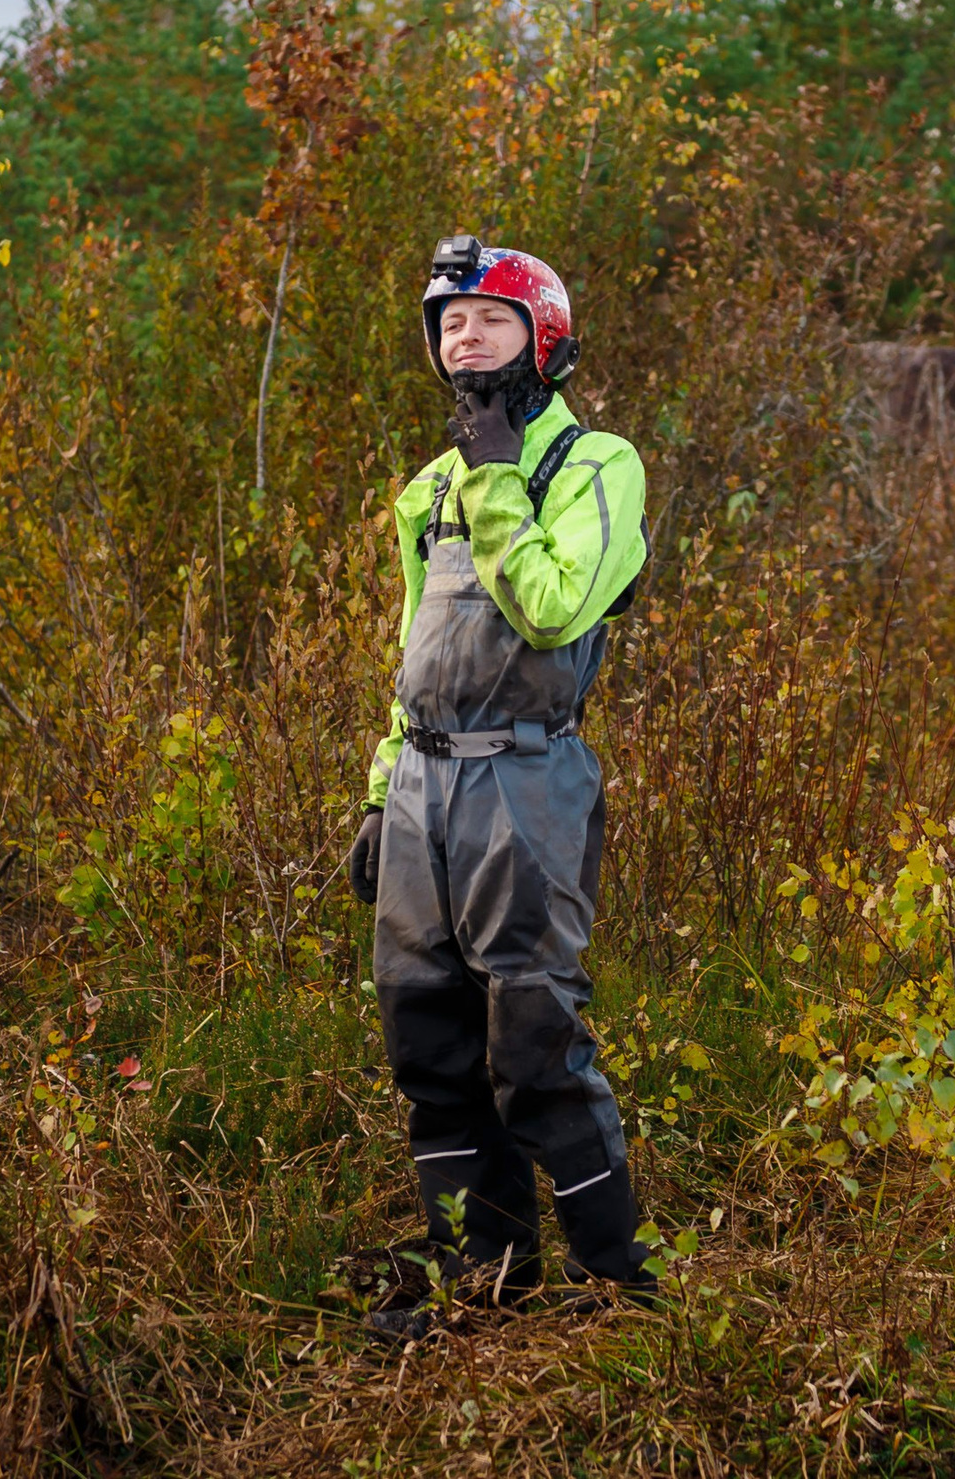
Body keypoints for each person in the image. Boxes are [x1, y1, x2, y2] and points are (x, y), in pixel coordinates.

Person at [345, 235, 653, 1338]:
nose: (460, 336)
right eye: (446, 323)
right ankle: (483, 1280)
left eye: (486, 316)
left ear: (545, 334)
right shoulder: (423, 489)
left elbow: (556, 607)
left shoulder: (595, 466)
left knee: (531, 1039)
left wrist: (493, 476)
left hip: (528, 778)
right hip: (426, 785)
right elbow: (415, 654)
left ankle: (621, 1290)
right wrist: (383, 791)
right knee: (426, 1041)